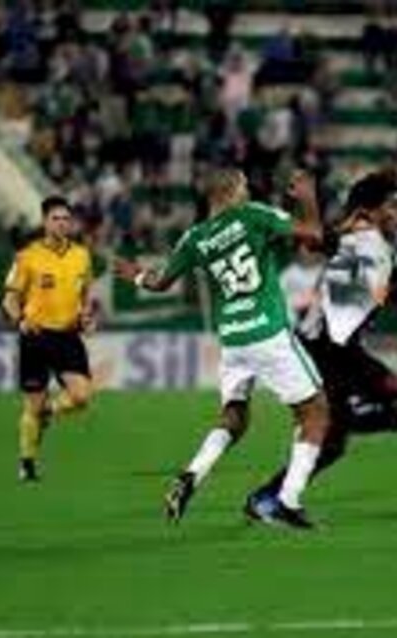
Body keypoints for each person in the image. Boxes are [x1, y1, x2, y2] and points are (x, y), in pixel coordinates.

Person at [113, 168, 330, 530]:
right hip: (267, 332)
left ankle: (190, 476)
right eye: (245, 184)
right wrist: (308, 196)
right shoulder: (254, 215)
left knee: (234, 416)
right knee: (315, 413)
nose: (248, 189)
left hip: (233, 339)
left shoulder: (194, 238)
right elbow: (314, 236)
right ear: (231, 191)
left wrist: (136, 273)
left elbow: (160, 281)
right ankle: (287, 503)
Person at [245, 171, 397, 519]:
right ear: (369, 212)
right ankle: (267, 498)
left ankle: (338, 424)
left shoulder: (388, 254)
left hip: (347, 352)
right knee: (335, 444)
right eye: (393, 206)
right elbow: (315, 240)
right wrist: (309, 198)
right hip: (322, 350)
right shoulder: (354, 237)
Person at [1, 196, 95, 482]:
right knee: (32, 403)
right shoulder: (27, 256)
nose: (62, 223)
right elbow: (9, 299)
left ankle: (49, 412)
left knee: (82, 396)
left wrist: (86, 316)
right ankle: (27, 463)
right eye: (56, 218)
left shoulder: (82, 255)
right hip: (37, 336)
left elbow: (85, 296)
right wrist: (20, 321)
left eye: (66, 219)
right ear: (44, 221)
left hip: (67, 336)